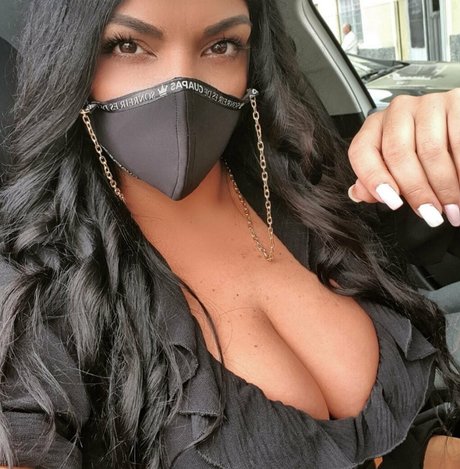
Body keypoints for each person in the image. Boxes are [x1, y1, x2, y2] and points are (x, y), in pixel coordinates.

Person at [0, 1, 459, 468]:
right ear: (70, 61)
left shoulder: (316, 185)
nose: (181, 85)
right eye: (128, 45)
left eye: (221, 45)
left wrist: (436, 139)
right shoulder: (33, 288)